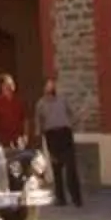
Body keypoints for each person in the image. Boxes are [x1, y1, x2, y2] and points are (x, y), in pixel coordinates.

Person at [33, 77, 82, 207]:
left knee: (71, 167)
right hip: (52, 135)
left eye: (52, 85)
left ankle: (76, 198)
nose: (50, 88)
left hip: (65, 134)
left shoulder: (62, 100)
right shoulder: (41, 104)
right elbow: (38, 122)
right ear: (44, 88)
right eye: (48, 86)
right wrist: (39, 135)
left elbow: (72, 114)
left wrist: (72, 124)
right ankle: (60, 198)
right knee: (56, 167)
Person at [0, 73, 27, 149]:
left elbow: (24, 119)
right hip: (2, 139)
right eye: (8, 84)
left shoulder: (18, 102)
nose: (11, 86)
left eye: (12, 84)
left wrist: (25, 135)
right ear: (2, 86)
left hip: (17, 139)